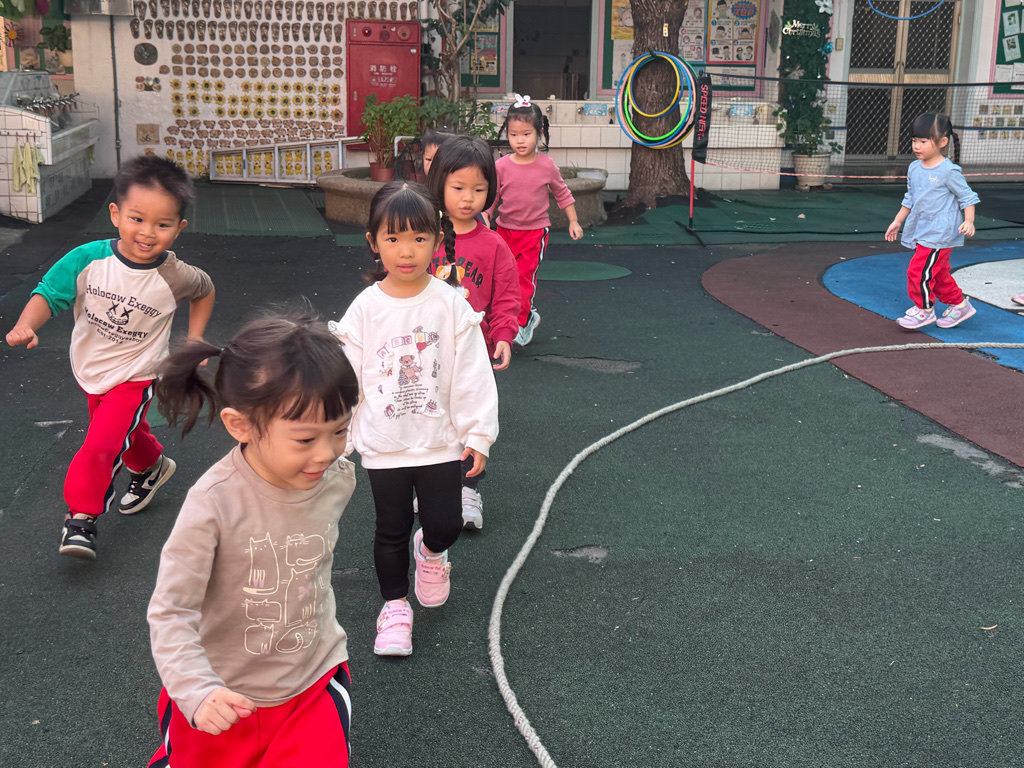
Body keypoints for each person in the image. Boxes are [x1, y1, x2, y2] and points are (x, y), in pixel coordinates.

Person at [146, 310, 359, 768]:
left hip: (311, 681)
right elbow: (171, 610)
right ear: (241, 425)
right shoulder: (214, 503)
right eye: (305, 439)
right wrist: (196, 690)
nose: (327, 452)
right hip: (222, 695)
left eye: (340, 431)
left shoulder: (336, 478)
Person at [4, 155, 215, 560]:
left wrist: (195, 337)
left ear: (179, 228)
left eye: (162, 224)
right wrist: (27, 324)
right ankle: (152, 465)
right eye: (137, 219)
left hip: (137, 374)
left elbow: (204, 290)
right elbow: (51, 292)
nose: (147, 233)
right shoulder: (89, 259)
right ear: (116, 214)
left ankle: (81, 518)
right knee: (121, 434)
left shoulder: (174, 275)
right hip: (92, 368)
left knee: (101, 443)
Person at [329, 181, 499, 657]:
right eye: (393, 238)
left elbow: (471, 372)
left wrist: (478, 433)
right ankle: (395, 607)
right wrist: (339, 437)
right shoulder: (366, 309)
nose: (406, 251)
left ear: (437, 239)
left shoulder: (449, 304)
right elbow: (346, 377)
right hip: (385, 444)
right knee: (391, 527)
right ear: (373, 241)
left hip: (439, 440)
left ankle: (431, 552)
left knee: (445, 523)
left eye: (419, 238)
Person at [426, 135, 520, 531]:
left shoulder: (493, 245)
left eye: (479, 190)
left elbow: (507, 296)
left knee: (470, 421)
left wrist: (504, 334)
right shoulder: (423, 237)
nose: (468, 199)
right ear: (439, 185)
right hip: (425, 353)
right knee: (427, 420)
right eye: (458, 188)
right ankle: (427, 487)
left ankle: (467, 489)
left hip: (472, 355)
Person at [489, 93, 584, 346]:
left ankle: (522, 322)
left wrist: (573, 221)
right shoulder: (501, 166)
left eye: (526, 134)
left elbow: (563, 193)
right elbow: (492, 197)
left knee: (523, 277)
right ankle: (503, 320)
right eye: (513, 134)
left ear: (539, 134)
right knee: (501, 277)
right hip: (504, 231)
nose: (520, 140)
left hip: (534, 233)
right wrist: (486, 217)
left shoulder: (546, 166)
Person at [885, 112, 980, 330]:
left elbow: (967, 197)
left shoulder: (948, 172)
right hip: (923, 228)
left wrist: (969, 221)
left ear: (942, 142)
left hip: (940, 232)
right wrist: (898, 221)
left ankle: (924, 310)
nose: (916, 146)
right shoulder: (914, 168)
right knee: (938, 273)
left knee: (918, 271)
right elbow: (910, 197)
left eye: (923, 141)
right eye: (914, 141)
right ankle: (960, 306)